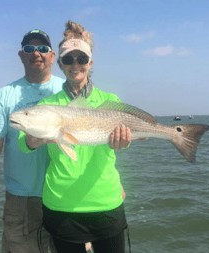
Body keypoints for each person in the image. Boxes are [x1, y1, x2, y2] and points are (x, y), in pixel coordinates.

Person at [19, 21, 132, 253]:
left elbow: (124, 140)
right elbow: (25, 143)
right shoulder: (48, 105)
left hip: (106, 203)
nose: (75, 65)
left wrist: (125, 141)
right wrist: (34, 138)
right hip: (61, 206)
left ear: (90, 62)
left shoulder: (110, 100)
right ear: (60, 63)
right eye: (68, 59)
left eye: (81, 58)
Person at [0, 29, 65, 253]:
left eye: (43, 48)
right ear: (21, 55)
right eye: (29, 49)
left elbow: (91, 136)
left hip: (66, 194)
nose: (36, 53)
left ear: (52, 56)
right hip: (21, 199)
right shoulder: (4, 96)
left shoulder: (68, 91)